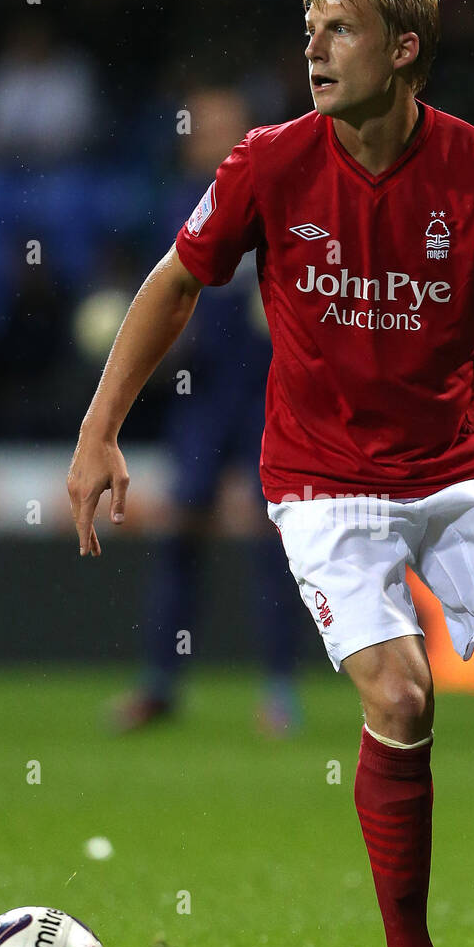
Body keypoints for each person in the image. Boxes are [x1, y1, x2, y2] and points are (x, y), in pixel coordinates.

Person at [68, 0, 474, 947]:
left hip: (462, 466)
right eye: (308, 28)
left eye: (338, 29)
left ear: (404, 50)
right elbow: (174, 283)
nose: (314, 49)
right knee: (399, 697)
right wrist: (100, 428)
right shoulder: (267, 163)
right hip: (324, 481)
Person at [108, 88, 302, 735]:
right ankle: (160, 682)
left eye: (222, 126)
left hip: (267, 392)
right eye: (200, 127)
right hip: (201, 393)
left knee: (270, 536)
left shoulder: (279, 197)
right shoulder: (175, 203)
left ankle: (278, 688)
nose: (207, 137)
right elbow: (159, 294)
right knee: (179, 530)